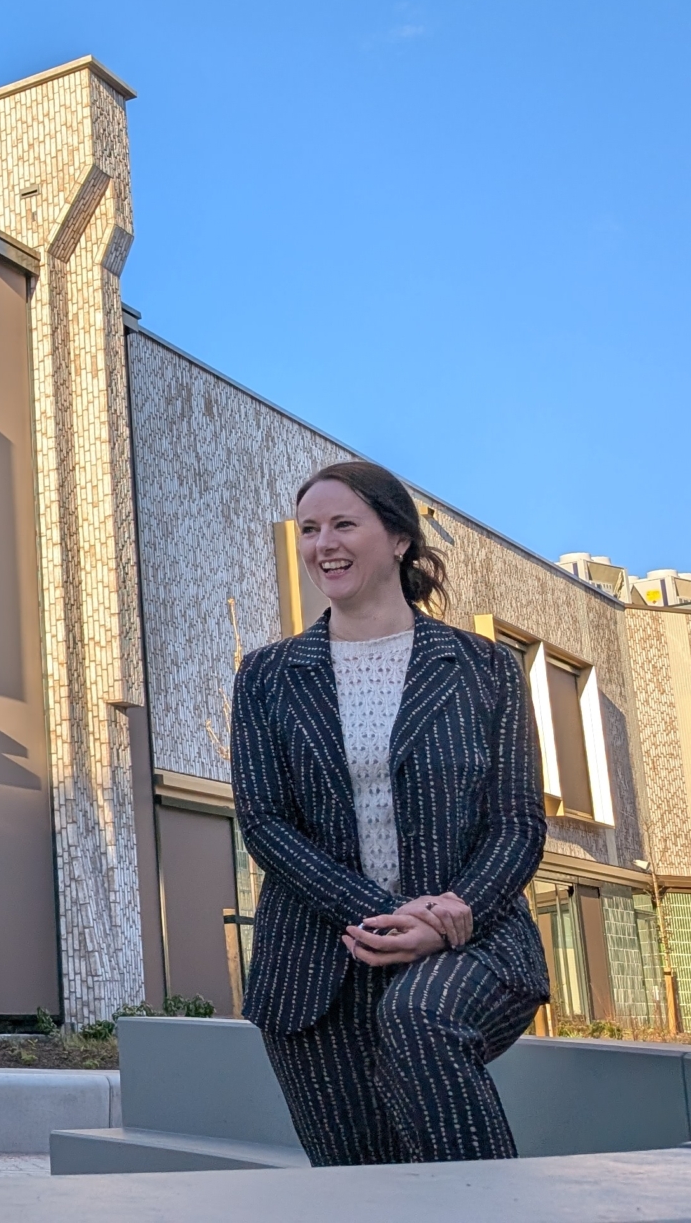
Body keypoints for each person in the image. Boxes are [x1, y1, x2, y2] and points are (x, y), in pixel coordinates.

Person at [231, 460, 548, 1166]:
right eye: (309, 529)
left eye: (344, 523)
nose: (322, 544)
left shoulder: (484, 668)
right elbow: (265, 822)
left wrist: (443, 916)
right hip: (314, 966)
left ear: (400, 539)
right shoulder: (266, 676)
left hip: (469, 940)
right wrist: (380, 912)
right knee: (362, 1187)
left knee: (420, 1018)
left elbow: (518, 822)